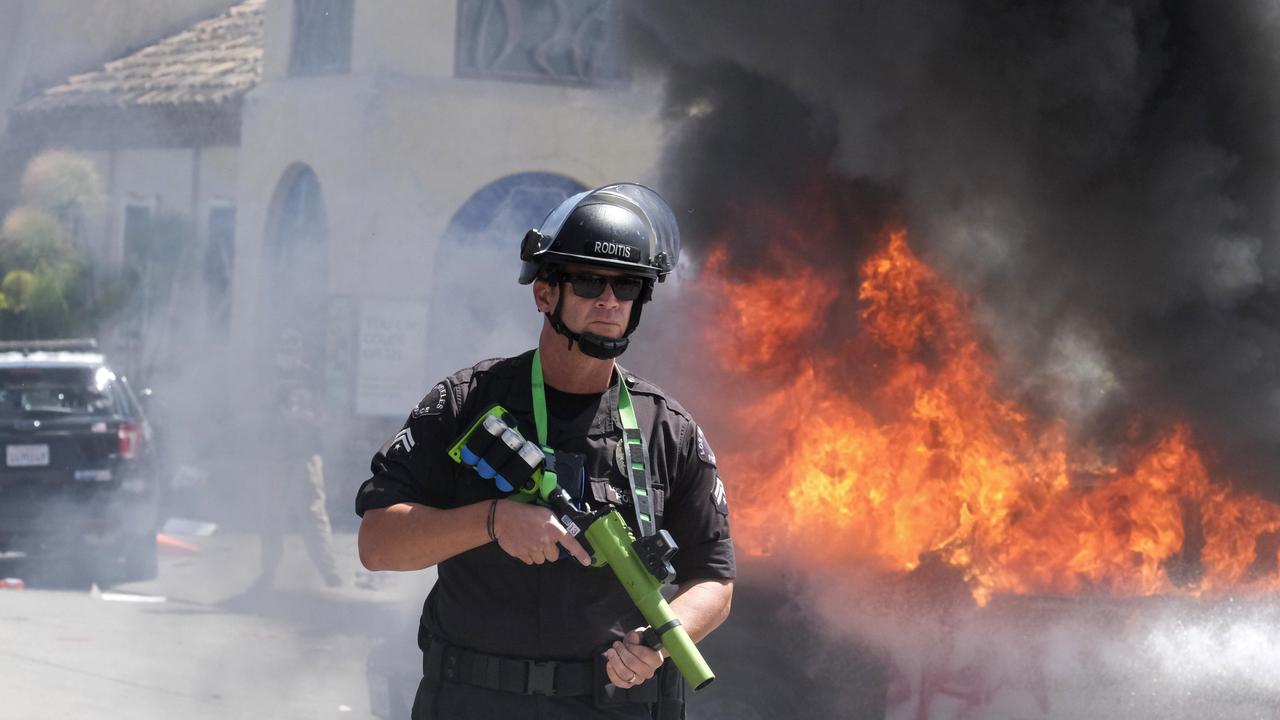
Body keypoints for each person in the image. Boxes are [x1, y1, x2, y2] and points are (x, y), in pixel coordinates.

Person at [355, 183, 735, 719]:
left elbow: (714, 579)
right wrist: (493, 521)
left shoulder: (667, 431)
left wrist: (660, 641)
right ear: (544, 294)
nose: (608, 300)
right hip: (475, 701)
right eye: (587, 281)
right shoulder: (465, 402)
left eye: (626, 287)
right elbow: (378, 544)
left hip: (612, 704)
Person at [252, 332, 342, 592]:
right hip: (275, 456)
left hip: (305, 454)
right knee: (272, 517)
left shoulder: (311, 379)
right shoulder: (267, 380)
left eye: (293, 349)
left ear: (300, 352)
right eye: (283, 348)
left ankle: (329, 570)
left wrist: (306, 418)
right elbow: (256, 415)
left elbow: (326, 415)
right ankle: (268, 574)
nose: (288, 354)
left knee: (314, 513)